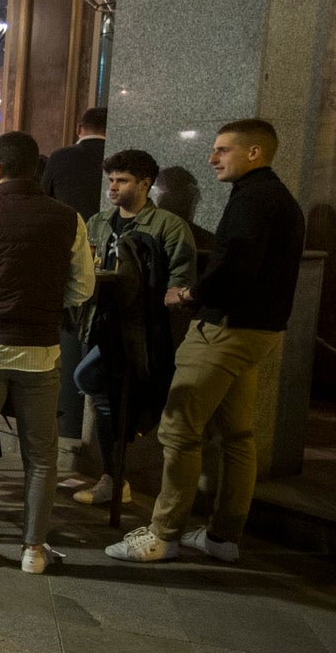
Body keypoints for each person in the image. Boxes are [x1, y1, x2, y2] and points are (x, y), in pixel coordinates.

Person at [106, 119, 306, 564]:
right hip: (258, 330)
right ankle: (222, 535)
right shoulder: (278, 198)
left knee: (178, 428)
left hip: (225, 329)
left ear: (254, 153)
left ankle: (164, 533)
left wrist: (189, 294)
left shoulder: (253, 199)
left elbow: (236, 265)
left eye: (222, 150)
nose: (213, 159)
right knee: (236, 434)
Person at [0, 131, 96, 574]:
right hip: (41, 351)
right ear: (38, 170)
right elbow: (83, 286)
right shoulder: (70, 219)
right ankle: (34, 549)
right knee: (41, 455)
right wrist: (48, 305)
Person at [72, 149, 196, 506]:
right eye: (110, 179)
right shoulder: (98, 222)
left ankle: (116, 473)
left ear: (145, 184)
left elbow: (180, 282)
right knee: (104, 400)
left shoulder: (168, 227)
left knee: (93, 382)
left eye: (122, 180)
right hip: (98, 323)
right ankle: (114, 476)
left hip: (138, 329)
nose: (113, 187)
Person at [43, 108, 111, 439]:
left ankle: (65, 422)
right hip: (103, 270)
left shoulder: (63, 157)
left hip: (63, 261)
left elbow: (44, 201)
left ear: (80, 128)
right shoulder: (114, 158)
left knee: (70, 343)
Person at [42, 107, 110, 220]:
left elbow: (44, 195)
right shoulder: (117, 157)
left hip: (68, 229)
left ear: (79, 129)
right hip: (108, 231)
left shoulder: (59, 156)